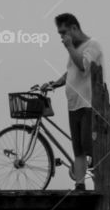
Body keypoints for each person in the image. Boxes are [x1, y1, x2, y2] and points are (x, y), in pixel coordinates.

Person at [39, 13, 103, 191]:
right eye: (60, 34)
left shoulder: (92, 45)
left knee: (88, 144)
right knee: (78, 148)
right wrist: (56, 82)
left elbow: (83, 65)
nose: (62, 37)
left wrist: (69, 47)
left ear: (74, 28)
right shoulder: (75, 48)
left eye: (64, 32)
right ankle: (80, 184)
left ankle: (103, 175)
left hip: (89, 103)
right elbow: (72, 71)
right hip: (73, 104)